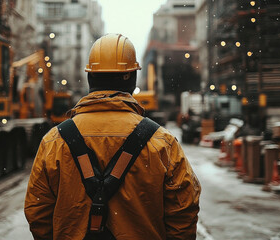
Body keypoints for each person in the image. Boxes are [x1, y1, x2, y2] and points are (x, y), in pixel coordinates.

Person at [24, 33, 201, 240]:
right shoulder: (162, 142)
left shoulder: (54, 141)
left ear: (90, 77)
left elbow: (37, 211)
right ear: (132, 77)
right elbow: (184, 211)